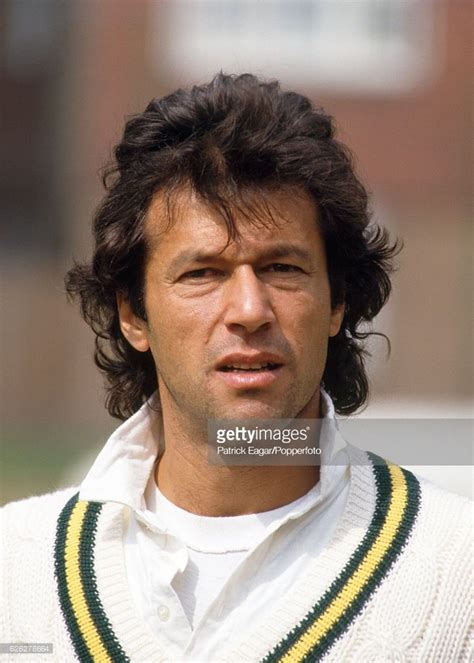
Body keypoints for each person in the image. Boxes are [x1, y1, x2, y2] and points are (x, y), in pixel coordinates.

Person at [1, 73, 471, 663]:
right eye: (202, 273)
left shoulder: (457, 569)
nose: (249, 310)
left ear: (337, 302)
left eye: (282, 268)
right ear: (133, 314)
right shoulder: (14, 569)